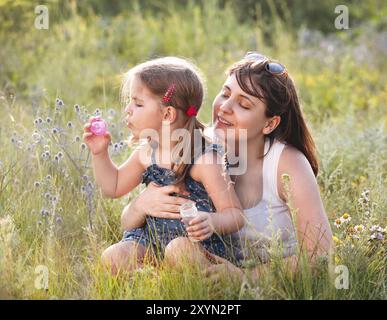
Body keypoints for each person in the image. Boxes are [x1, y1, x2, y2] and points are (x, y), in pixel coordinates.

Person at [123, 52, 333, 279]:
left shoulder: (287, 163)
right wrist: (139, 206)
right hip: (201, 271)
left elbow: (319, 254)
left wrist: (245, 278)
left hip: (267, 286)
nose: (225, 107)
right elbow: (155, 227)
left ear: (270, 123)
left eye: (244, 104)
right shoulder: (196, 145)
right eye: (225, 94)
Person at [83, 57, 244, 275]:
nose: (128, 110)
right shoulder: (147, 151)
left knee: (178, 250)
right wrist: (99, 153)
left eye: (138, 103)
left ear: (168, 114)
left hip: (194, 244)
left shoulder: (204, 159)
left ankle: (181, 277)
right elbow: (113, 187)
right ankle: (158, 278)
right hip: (149, 239)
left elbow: (235, 214)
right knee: (112, 257)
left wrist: (212, 221)